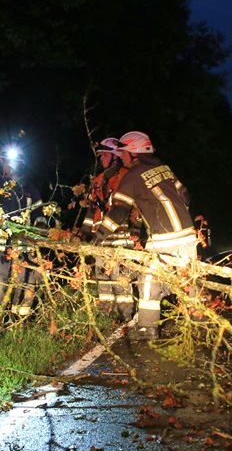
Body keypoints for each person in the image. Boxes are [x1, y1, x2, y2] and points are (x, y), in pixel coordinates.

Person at [97, 131, 197, 340]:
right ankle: (199, 321)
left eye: (124, 152)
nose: (122, 156)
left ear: (134, 152)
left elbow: (119, 210)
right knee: (188, 278)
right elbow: (185, 195)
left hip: (164, 238)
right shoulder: (164, 168)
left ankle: (147, 328)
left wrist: (99, 236)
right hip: (188, 234)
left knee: (150, 280)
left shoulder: (132, 176)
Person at [0, 139, 45, 323]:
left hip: (23, 248)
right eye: (7, 162)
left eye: (14, 162)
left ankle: (20, 323)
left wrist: (41, 229)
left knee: (24, 282)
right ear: (2, 161)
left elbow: (39, 214)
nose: (10, 166)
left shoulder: (30, 189)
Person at [82, 137, 137, 320]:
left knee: (121, 280)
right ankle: (106, 318)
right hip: (100, 238)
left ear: (114, 155)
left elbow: (130, 208)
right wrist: (84, 234)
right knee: (103, 280)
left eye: (104, 154)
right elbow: (91, 211)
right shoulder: (98, 180)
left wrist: (136, 230)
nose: (101, 158)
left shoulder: (126, 176)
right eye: (100, 156)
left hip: (121, 236)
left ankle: (126, 318)